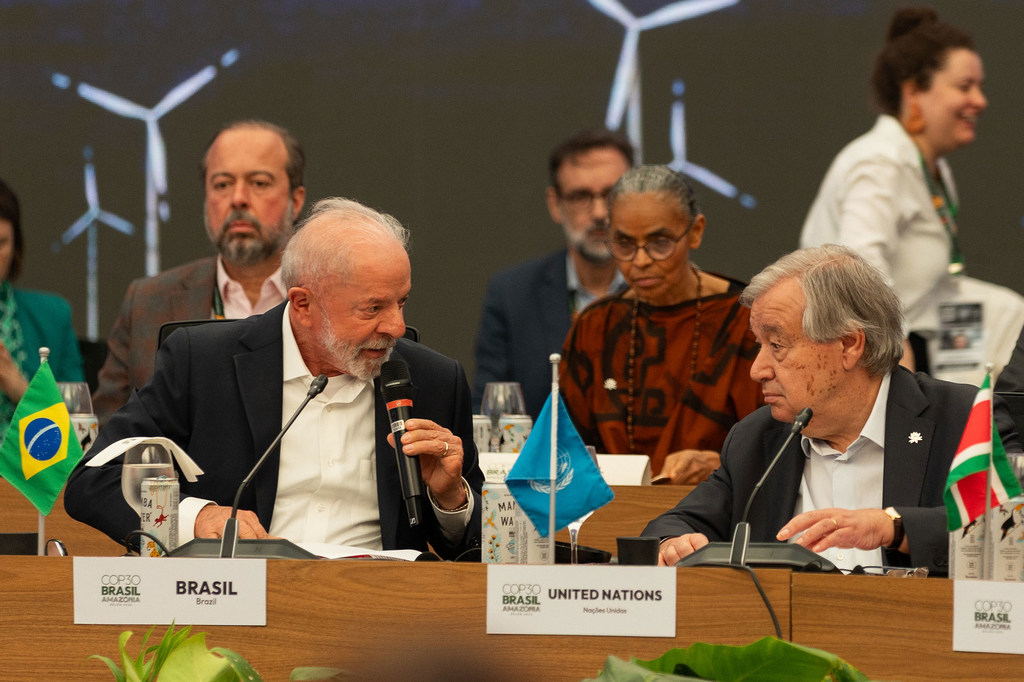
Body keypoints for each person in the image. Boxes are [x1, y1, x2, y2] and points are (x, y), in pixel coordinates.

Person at [65, 198, 482, 559]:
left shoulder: (435, 379)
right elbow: (94, 480)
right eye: (372, 309)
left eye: (401, 302)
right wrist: (198, 517)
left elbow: (471, 547)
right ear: (302, 305)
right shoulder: (203, 363)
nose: (396, 326)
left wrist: (451, 498)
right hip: (237, 602)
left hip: (380, 610)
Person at [644, 245, 1021, 574]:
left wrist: (895, 527)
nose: (757, 369)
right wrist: (672, 541)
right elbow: (676, 523)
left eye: (777, 344)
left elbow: (1010, 526)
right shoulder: (758, 439)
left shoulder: (964, 418)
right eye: (758, 345)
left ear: (849, 345)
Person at [800, 7, 1024, 384]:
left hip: (927, 323)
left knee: (1011, 316)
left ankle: (996, 429)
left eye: (980, 87)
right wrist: (894, 343)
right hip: (861, 345)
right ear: (913, 91)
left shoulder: (927, 164)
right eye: (964, 86)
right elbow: (859, 264)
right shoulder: (879, 163)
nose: (980, 101)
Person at [91, 119, 307, 425]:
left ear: (295, 201)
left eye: (259, 182)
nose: (238, 198)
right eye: (222, 184)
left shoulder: (326, 298)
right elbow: (107, 427)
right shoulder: (148, 301)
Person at [559, 166, 761, 484]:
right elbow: (563, 450)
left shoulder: (748, 321)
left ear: (695, 231)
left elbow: (784, 446)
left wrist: (723, 464)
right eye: (624, 244)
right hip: (607, 519)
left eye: (659, 243)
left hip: (717, 519)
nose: (640, 261)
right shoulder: (596, 326)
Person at [473, 129, 633, 420]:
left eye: (612, 195)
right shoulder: (512, 295)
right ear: (554, 204)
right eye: (581, 196)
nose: (599, 212)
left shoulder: (668, 289)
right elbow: (491, 413)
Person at [0, 178, 84, 428]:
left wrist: (18, 387)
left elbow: (80, 427)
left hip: (34, 465)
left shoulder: (53, 316)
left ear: (16, 245)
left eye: (0, 243)